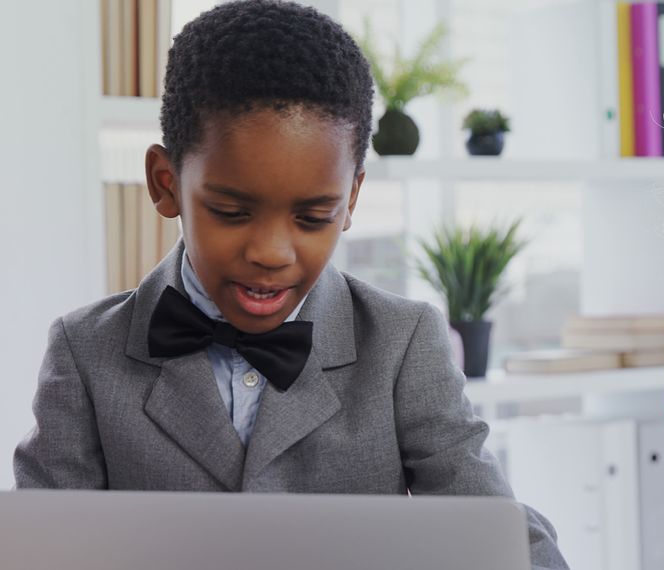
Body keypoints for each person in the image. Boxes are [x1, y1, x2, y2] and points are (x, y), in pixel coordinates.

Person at [13, 2, 567, 568]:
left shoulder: (403, 343)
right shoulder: (84, 352)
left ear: (350, 200)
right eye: (230, 211)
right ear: (165, 184)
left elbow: (501, 533)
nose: (271, 253)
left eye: (312, 217)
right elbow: (39, 545)